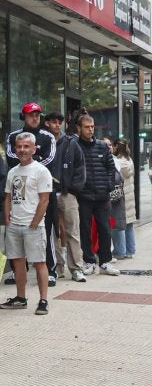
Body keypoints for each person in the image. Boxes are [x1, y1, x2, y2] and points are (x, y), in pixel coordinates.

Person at [0, 133, 53, 315]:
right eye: (19, 146)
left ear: (34, 149)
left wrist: (35, 223)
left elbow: (45, 200)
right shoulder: (13, 172)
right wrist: (7, 219)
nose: (22, 150)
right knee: (18, 263)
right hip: (14, 225)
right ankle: (20, 298)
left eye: (26, 147)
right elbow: (8, 197)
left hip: (33, 226)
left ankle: (43, 300)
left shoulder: (41, 171)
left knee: (39, 263)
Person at [75, 114, 121, 276]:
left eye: (92, 126)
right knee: (85, 229)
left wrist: (108, 185)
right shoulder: (75, 146)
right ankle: (88, 261)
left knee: (105, 229)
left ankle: (105, 262)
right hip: (84, 196)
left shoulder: (102, 146)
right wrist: (78, 188)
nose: (90, 130)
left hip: (102, 196)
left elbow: (111, 168)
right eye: (87, 127)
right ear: (79, 128)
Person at [47, 112, 87, 283]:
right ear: (47, 123)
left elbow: (80, 167)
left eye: (59, 122)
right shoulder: (43, 142)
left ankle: (76, 268)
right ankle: (56, 269)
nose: (57, 125)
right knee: (52, 233)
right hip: (47, 193)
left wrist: (73, 189)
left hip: (67, 193)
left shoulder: (71, 143)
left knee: (73, 231)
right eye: (54, 122)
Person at [112, 140, 137, 259]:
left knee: (118, 224)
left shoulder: (117, 162)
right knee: (129, 224)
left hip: (122, 197)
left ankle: (119, 251)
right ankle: (130, 250)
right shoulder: (129, 160)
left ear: (116, 147)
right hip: (130, 197)